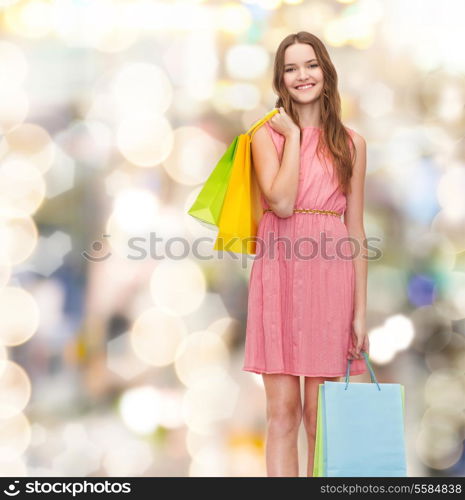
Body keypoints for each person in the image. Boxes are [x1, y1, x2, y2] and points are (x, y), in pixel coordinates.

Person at [242, 31, 370, 477]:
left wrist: (360, 312)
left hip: (330, 279)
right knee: (283, 414)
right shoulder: (265, 136)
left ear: (326, 72)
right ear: (280, 79)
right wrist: (293, 137)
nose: (302, 75)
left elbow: (355, 230)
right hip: (278, 272)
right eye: (291, 68)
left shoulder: (352, 144)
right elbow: (279, 202)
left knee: (320, 417)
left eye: (310, 65)